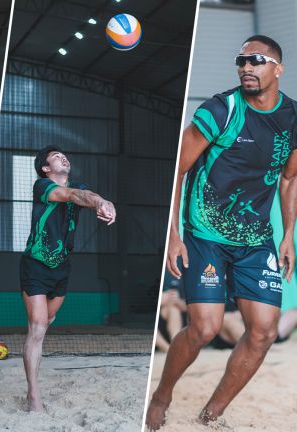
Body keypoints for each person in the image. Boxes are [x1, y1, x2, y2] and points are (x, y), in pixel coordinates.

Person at [146, 35, 297, 429]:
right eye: (242, 60)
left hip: (255, 241)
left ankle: (211, 415)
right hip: (205, 235)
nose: (247, 66)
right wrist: (174, 235)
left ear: (277, 69)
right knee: (205, 328)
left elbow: (289, 180)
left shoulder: (293, 118)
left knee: (263, 333)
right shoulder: (221, 109)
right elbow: (176, 169)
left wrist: (287, 236)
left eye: (258, 60)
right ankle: (162, 394)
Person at [21, 145, 116, 412]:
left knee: (46, 323)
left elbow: (86, 193)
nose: (63, 156)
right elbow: (70, 195)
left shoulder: (79, 185)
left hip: (62, 266)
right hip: (35, 264)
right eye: (55, 156)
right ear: (45, 168)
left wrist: (102, 202)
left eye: (64, 155)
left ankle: (32, 342)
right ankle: (33, 396)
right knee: (38, 327)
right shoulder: (42, 186)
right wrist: (93, 200)